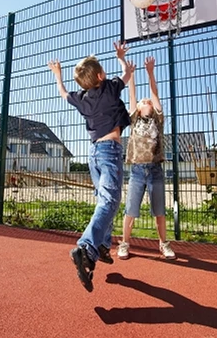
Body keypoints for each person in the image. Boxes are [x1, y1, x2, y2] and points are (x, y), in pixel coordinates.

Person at [47, 41, 135, 292]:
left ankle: (103, 246)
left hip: (93, 153)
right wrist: (121, 58)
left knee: (104, 201)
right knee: (110, 201)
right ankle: (87, 247)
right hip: (109, 151)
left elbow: (64, 94)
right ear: (100, 76)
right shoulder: (108, 89)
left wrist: (58, 76)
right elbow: (127, 75)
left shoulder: (82, 98)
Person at [117, 56, 176, 260]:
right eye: (144, 101)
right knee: (131, 210)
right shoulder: (134, 119)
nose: (146, 100)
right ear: (139, 109)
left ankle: (164, 244)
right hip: (137, 171)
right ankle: (124, 243)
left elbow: (155, 93)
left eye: (148, 101)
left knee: (159, 211)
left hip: (156, 171)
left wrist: (150, 73)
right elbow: (132, 94)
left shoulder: (158, 120)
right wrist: (130, 74)